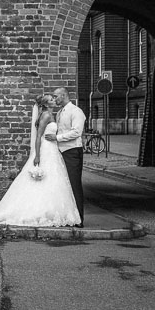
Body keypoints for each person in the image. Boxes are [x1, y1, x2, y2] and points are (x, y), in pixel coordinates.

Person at [0, 94, 81, 227]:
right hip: (46, 150)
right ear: (45, 104)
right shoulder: (46, 116)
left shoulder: (51, 114)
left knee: (54, 180)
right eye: (51, 100)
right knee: (43, 181)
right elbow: (39, 137)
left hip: (53, 150)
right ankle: (38, 211)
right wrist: (37, 155)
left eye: (53, 99)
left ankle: (51, 211)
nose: (54, 101)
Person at [44, 86, 86, 226]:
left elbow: (76, 132)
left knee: (74, 185)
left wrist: (57, 138)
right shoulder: (60, 112)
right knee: (64, 186)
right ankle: (69, 216)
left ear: (63, 95)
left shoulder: (76, 112)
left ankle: (79, 219)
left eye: (56, 96)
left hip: (72, 151)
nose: (54, 99)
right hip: (60, 152)